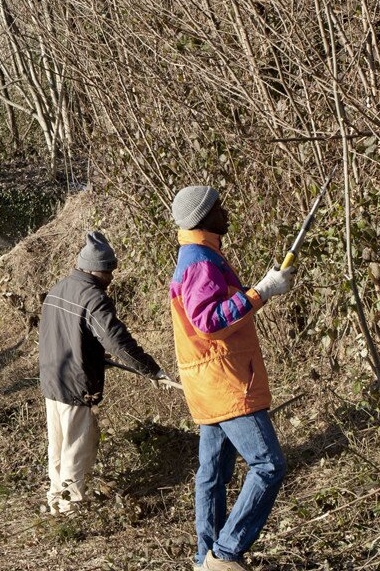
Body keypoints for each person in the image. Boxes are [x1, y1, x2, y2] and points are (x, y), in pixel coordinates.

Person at [169, 186, 295, 571]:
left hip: (209, 382)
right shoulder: (200, 260)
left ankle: (204, 560)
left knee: (212, 474)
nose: (225, 211)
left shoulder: (198, 255)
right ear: (203, 217)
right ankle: (224, 555)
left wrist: (260, 292)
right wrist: (260, 293)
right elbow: (208, 321)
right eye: (218, 207)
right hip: (225, 382)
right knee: (269, 466)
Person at [39, 230, 176, 515]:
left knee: (58, 444)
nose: (112, 278)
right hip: (77, 385)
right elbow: (117, 341)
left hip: (52, 380)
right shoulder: (93, 298)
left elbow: (66, 335)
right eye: (109, 271)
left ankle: (56, 499)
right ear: (96, 269)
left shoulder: (57, 289)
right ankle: (70, 509)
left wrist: (95, 356)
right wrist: (151, 370)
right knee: (77, 449)